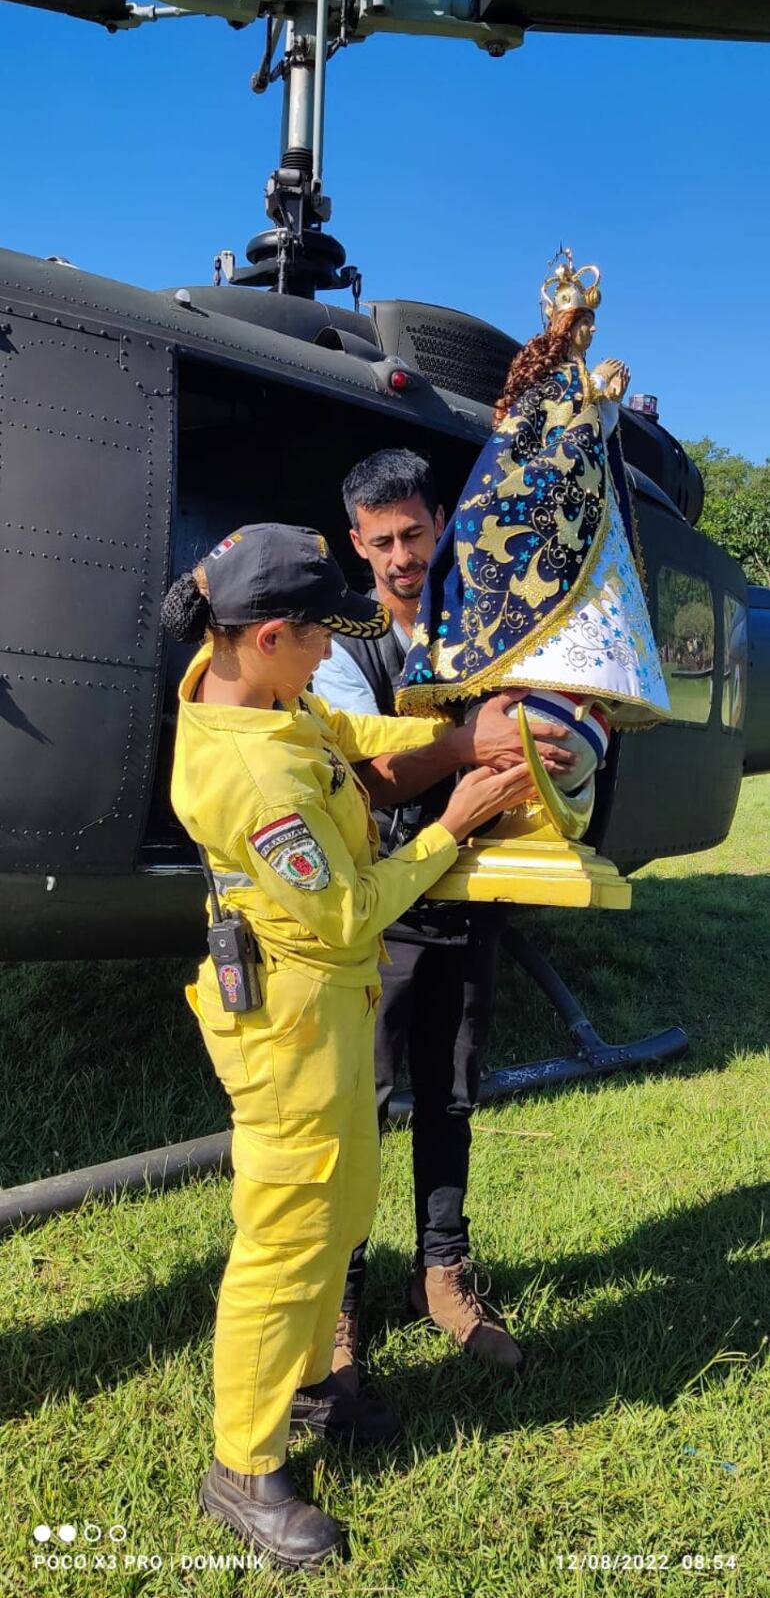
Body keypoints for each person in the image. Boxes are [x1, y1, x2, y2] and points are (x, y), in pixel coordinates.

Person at [162, 521, 548, 1571]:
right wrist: (452, 818)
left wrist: (456, 741)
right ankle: (245, 1464)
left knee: (336, 1207)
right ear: (271, 633)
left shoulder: (241, 678)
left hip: (321, 1014)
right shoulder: (255, 783)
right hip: (292, 1018)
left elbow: (336, 728)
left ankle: (301, 1386)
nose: (332, 653)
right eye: (318, 637)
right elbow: (347, 913)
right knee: (285, 1236)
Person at [313, 450, 574, 1380]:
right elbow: (367, 779)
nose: (400, 557)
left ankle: (442, 1275)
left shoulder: (487, 622)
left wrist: (566, 741)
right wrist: (469, 748)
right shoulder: (340, 642)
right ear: (357, 542)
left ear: (441, 524)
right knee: (359, 1107)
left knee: (453, 1092)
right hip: (382, 903)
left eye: (414, 534)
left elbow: (541, 728)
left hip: (474, 894)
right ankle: (339, 1302)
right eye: (380, 541)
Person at [396, 251, 670, 820]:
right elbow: (537, 467)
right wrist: (599, 411)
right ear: (560, 324)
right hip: (548, 521)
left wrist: (604, 411)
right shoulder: (550, 393)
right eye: (581, 323)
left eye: (591, 324)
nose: (588, 332)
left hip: (586, 527)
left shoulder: (573, 386)